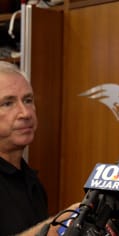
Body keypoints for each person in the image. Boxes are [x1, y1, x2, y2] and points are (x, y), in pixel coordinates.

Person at [0, 61, 77, 236]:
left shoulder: (31, 180)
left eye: (28, 100)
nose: (25, 113)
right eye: (7, 103)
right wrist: (55, 228)